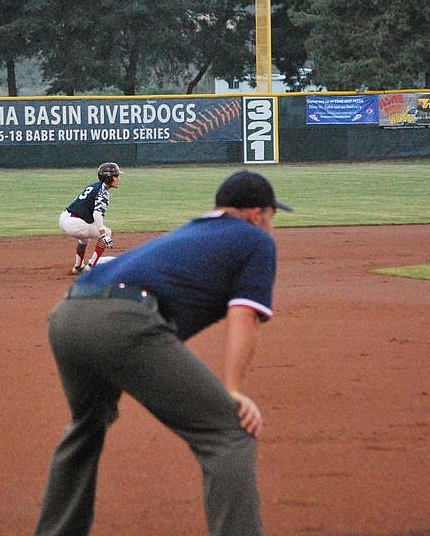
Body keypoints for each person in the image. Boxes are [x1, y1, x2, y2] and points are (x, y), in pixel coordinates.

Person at [35, 170, 292, 536]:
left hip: (68, 315)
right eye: (271, 217)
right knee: (229, 431)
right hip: (124, 320)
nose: (270, 227)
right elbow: (245, 316)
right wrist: (233, 391)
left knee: (86, 427)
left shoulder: (194, 229)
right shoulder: (254, 240)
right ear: (256, 214)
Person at [58, 162, 123, 274]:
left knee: (84, 238)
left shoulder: (93, 186)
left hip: (64, 218)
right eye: (116, 176)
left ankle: (78, 267)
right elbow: (97, 214)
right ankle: (90, 267)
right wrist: (103, 234)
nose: (118, 179)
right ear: (108, 178)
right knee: (107, 233)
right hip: (75, 223)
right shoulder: (103, 193)